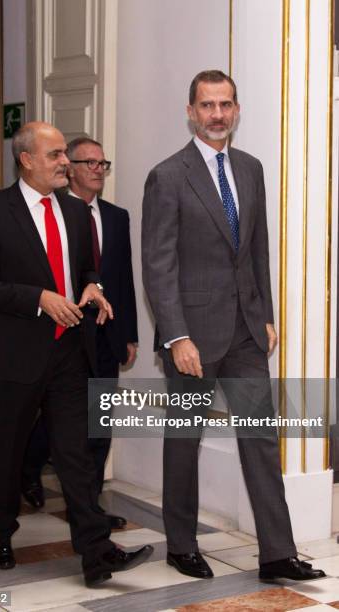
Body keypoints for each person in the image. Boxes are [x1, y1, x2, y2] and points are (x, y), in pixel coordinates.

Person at [141, 70, 324, 582]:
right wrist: (176, 336)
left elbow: (256, 248)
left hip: (246, 331)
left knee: (261, 438)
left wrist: (264, 313)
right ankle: (181, 543)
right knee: (184, 439)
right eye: (207, 105)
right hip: (192, 337)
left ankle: (276, 554)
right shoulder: (168, 175)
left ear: (237, 109)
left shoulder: (250, 168)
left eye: (225, 104)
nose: (217, 114)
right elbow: (158, 264)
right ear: (190, 111)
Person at [0, 121, 152, 586]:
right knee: (6, 452)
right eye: (55, 156)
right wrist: (39, 298)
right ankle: (0, 532)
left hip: (70, 351)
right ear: (27, 159)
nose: (65, 163)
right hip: (14, 355)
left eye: (64, 155)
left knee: (76, 454)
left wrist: (92, 285)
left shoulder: (73, 211)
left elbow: (86, 268)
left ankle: (96, 554)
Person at [22, 137, 138, 530]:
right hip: (65, 334)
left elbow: (122, 279)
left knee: (99, 422)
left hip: (105, 335)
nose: (96, 170)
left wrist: (129, 334)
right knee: (56, 423)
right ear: (68, 167)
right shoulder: (57, 212)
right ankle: (29, 468)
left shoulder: (117, 216)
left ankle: (86, 508)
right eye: (87, 162)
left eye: (102, 163)